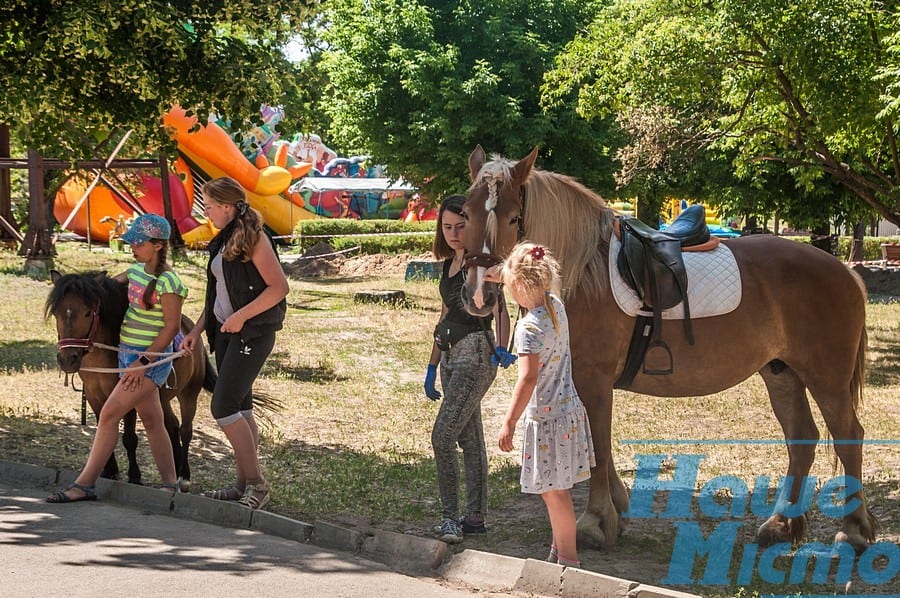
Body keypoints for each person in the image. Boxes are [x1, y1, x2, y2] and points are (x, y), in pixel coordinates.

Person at [47, 214, 185, 502]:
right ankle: (171, 485)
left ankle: (84, 485)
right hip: (127, 356)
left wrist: (143, 363)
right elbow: (101, 289)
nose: (132, 247)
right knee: (152, 419)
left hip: (150, 362)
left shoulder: (169, 282)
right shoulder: (135, 272)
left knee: (109, 415)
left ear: (158, 245)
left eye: (138, 242)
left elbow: (171, 327)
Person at [182, 177, 289, 510]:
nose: (206, 211)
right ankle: (242, 484)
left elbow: (279, 288)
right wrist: (197, 330)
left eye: (210, 206)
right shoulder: (223, 239)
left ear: (227, 207)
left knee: (222, 406)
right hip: (225, 336)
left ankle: (257, 485)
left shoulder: (255, 238)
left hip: (251, 335)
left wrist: (242, 317)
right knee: (241, 409)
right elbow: (218, 296)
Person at [488, 242, 595, 568]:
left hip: (547, 419)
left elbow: (527, 379)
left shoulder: (528, 328)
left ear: (520, 287)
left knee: (555, 494)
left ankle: (568, 563)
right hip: (567, 413)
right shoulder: (555, 306)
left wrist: (509, 420)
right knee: (557, 489)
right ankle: (556, 552)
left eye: (509, 286)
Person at [425, 194, 516, 543]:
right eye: (447, 227)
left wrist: (502, 348)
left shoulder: (480, 265)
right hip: (449, 356)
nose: (453, 233)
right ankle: (475, 518)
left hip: (475, 353)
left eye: (460, 226)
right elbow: (445, 315)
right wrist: (432, 365)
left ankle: (450, 519)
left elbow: (500, 309)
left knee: (442, 436)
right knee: (470, 439)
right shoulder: (449, 264)